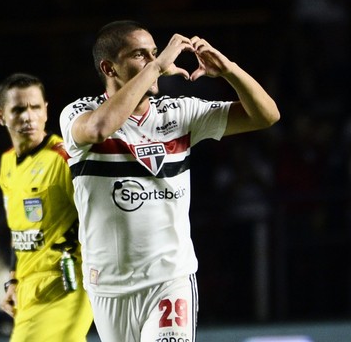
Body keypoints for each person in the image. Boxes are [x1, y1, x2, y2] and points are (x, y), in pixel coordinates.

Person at [58, 20, 281, 341]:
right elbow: (97, 130)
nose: (155, 62)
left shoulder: (180, 113)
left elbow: (266, 116)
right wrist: (157, 66)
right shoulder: (79, 113)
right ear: (109, 67)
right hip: (107, 283)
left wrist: (229, 70)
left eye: (154, 53)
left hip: (169, 278)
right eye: (140, 55)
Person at [0, 73, 93, 341]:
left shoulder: (63, 158)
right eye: (18, 109)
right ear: (0, 115)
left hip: (66, 284)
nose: (28, 117)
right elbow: (18, 229)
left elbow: (99, 215)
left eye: (35, 107)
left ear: (46, 111)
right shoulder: (6, 164)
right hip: (28, 288)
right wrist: (13, 280)